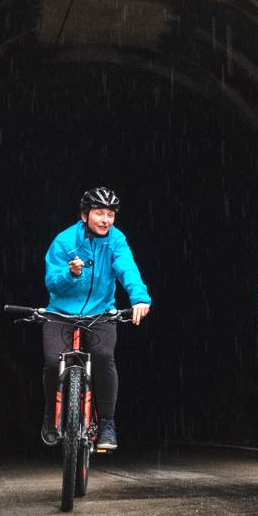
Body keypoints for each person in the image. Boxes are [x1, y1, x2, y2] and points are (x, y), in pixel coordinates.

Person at [41, 186, 151, 451]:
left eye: (110, 215)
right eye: (99, 213)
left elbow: (127, 269)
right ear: (84, 215)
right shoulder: (65, 241)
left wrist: (140, 298)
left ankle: (108, 423)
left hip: (100, 312)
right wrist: (70, 274)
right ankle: (50, 414)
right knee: (53, 362)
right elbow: (52, 283)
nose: (106, 220)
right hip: (61, 313)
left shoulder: (116, 240)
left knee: (103, 357)